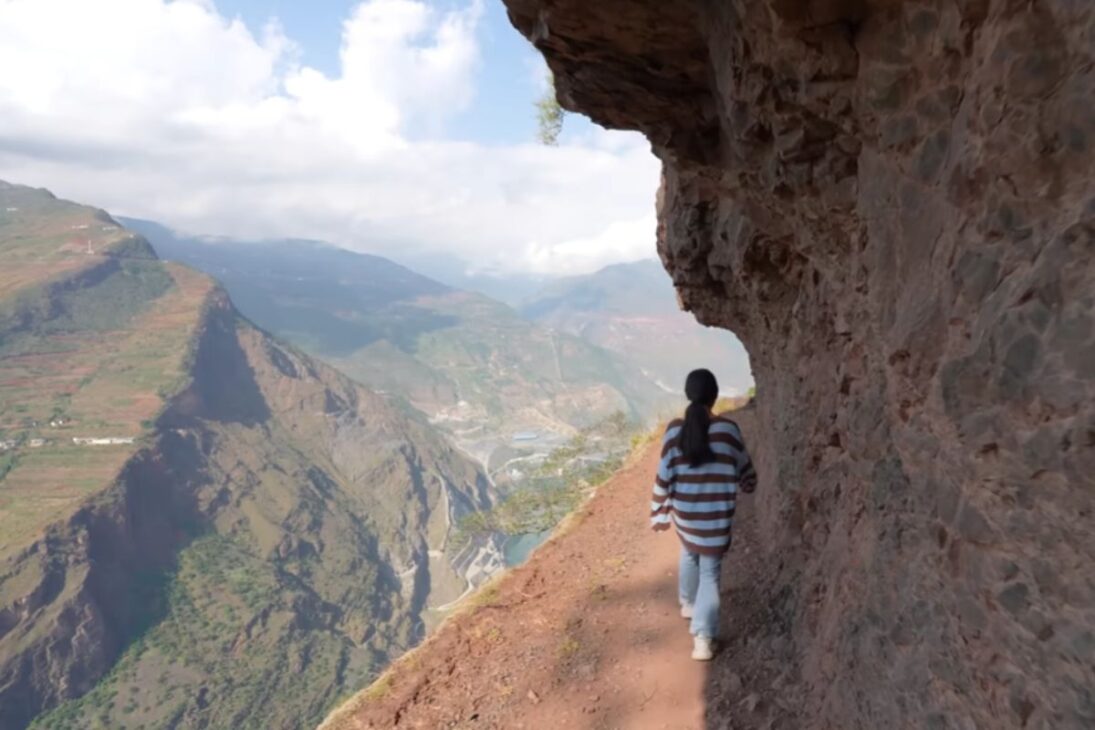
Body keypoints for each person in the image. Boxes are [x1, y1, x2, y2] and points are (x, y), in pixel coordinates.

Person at [650, 369, 757, 661]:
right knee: (709, 573)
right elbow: (746, 471)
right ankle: (703, 638)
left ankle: (688, 605)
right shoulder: (728, 431)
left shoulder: (674, 431)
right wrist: (748, 484)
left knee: (688, 551)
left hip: (685, 516)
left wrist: (658, 513)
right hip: (716, 518)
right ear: (714, 396)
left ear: (688, 394)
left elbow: (663, 476)